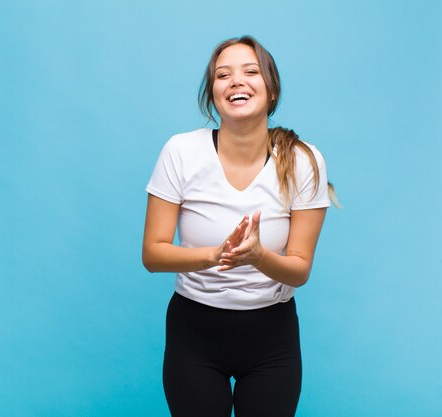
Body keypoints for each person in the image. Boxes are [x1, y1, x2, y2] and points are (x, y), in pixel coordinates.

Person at [142, 35, 336, 417]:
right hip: (193, 332)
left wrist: (259, 257)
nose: (236, 81)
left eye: (250, 71)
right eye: (222, 75)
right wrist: (215, 256)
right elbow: (153, 254)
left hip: (271, 338)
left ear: (271, 88)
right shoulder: (180, 151)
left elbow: (300, 268)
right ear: (212, 93)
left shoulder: (303, 160)